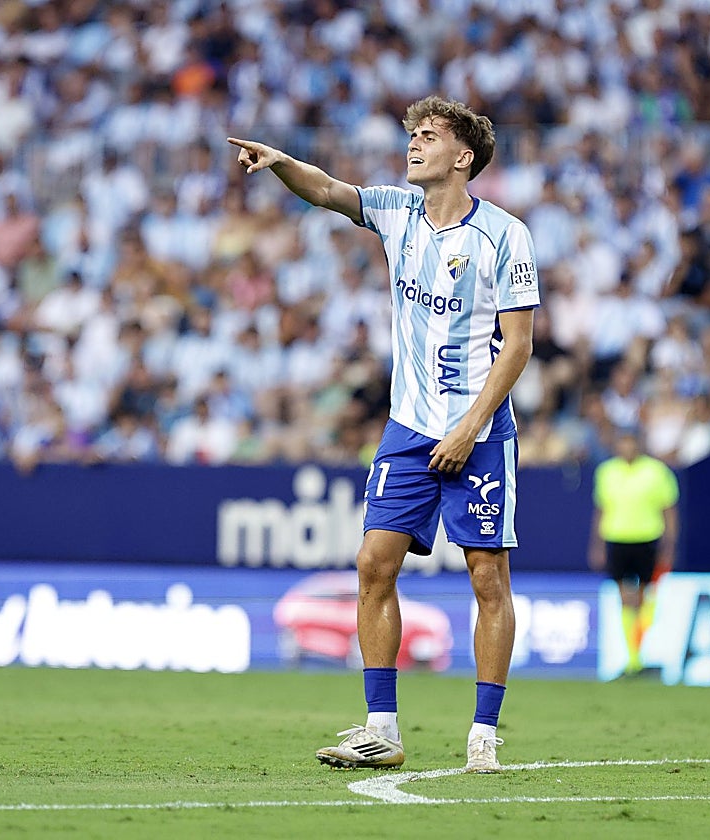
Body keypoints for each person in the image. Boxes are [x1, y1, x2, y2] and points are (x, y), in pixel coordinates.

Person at [229, 95, 539, 773]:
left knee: (487, 576)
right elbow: (329, 191)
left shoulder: (506, 236)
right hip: (408, 427)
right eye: (412, 135)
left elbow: (517, 347)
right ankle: (382, 729)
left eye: (429, 136)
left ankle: (484, 732)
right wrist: (281, 162)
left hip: (479, 431)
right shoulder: (397, 211)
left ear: (464, 157)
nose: (414, 144)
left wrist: (470, 427)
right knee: (373, 564)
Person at [589, 426, 679, 676]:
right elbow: (601, 509)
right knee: (624, 598)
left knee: (642, 598)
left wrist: (669, 544)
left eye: (631, 442)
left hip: (647, 538)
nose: (627, 448)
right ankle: (633, 659)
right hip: (616, 538)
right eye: (623, 443)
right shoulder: (606, 471)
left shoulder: (657, 471)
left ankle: (638, 655)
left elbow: (669, 509)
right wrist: (596, 545)